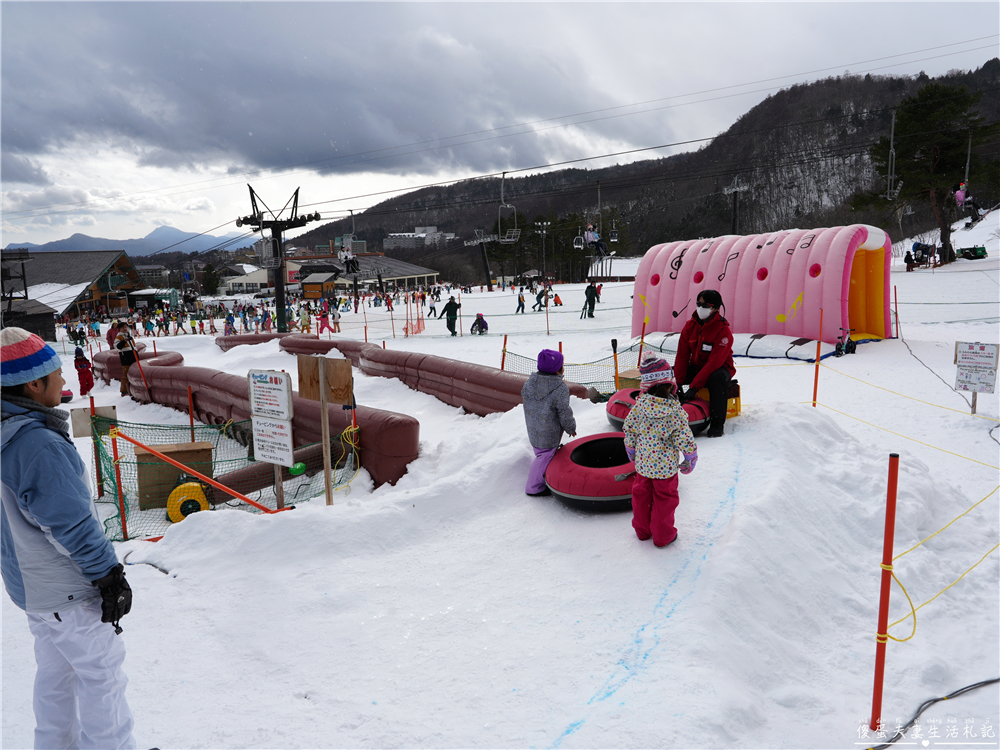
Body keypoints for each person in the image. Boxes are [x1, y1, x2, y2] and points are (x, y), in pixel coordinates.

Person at [1, 328, 136, 750]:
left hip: (32, 590)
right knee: (102, 676)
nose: (65, 382)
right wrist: (108, 575)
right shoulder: (36, 444)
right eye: (57, 374)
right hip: (68, 592)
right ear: (32, 384)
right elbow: (70, 526)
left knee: (56, 673)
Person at [622, 356, 698, 547]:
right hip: (665, 469)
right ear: (670, 384)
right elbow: (684, 436)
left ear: (647, 385)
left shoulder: (638, 407)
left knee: (641, 496)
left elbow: (630, 428)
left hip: (644, 465)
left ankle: (642, 530)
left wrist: (630, 447)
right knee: (665, 499)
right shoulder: (675, 411)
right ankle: (663, 535)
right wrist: (690, 456)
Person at [674, 289, 737, 438]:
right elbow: (682, 356)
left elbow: (714, 363)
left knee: (717, 379)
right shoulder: (690, 326)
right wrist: (677, 383)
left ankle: (717, 423)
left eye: (706, 305)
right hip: (697, 367)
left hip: (720, 369)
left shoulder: (723, 331)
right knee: (669, 375)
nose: (701, 308)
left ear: (715, 308)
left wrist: (694, 387)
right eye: (698, 304)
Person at [521, 349, 576, 496]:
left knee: (542, 454)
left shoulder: (529, 383)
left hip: (533, 427)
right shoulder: (560, 388)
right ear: (558, 369)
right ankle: (533, 487)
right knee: (543, 457)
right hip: (548, 432)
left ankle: (543, 476)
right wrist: (571, 427)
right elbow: (564, 411)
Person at [114, 321, 137, 398]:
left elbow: (134, 347)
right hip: (126, 358)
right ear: (119, 329)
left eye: (126, 327)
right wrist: (124, 341)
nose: (125, 329)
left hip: (133, 357)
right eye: (123, 327)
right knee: (126, 374)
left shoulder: (129, 336)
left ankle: (133, 389)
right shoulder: (119, 337)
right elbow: (118, 347)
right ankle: (124, 390)